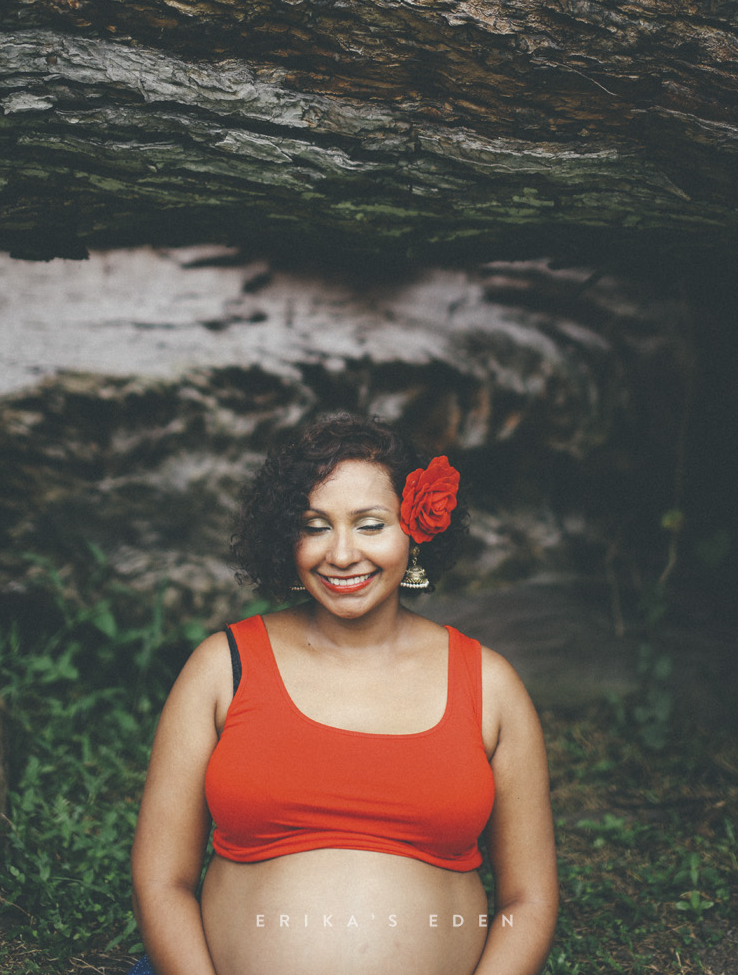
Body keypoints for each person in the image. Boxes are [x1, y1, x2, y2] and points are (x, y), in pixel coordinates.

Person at [130, 412, 558, 975]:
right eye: (315, 525)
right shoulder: (222, 668)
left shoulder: (490, 684)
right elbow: (163, 879)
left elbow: (528, 901)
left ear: (415, 529)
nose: (341, 554)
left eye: (370, 524)